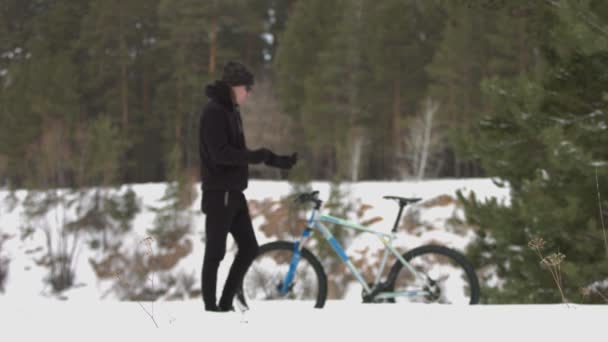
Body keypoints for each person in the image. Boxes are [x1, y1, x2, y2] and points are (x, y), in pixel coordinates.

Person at [199, 61, 298, 312]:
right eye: (248, 87)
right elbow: (220, 154)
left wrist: (276, 160)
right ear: (234, 86)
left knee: (249, 248)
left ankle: (225, 302)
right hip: (218, 193)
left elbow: (240, 153)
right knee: (215, 253)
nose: (250, 92)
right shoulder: (214, 112)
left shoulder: (232, 110)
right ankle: (211, 309)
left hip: (234, 193)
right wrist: (257, 155)